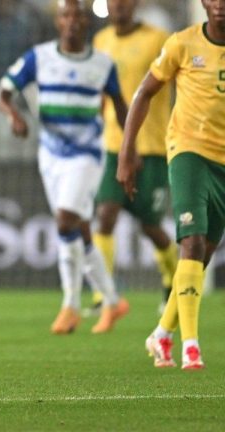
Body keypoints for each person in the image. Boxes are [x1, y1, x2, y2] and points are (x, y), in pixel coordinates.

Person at [0, 0, 129, 335]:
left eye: (77, 15)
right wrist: (15, 116)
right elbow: (2, 92)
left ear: (86, 21)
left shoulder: (102, 64)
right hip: (51, 155)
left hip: (87, 154)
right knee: (78, 230)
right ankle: (112, 302)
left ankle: (70, 305)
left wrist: (128, 151)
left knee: (65, 219)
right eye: (65, 15)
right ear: (58, 21)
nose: (71, 21)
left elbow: (123, 108)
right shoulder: (39, 57)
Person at [118, 0, 225, 371]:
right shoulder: (183, 43)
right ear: (203, 4)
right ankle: (190, 345)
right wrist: (125, 152)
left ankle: (162, 333)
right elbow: (144, 93)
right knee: (192, 242)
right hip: (187, 152)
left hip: (223, 163)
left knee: (202, 256)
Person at [91, 0, 176, 316]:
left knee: (150, 224)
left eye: (124, 2)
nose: (118, 8)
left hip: (152, 145)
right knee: (106, 214)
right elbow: (102, 93)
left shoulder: (159, 39)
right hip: (114, 144)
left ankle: (171, 276)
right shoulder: (101, 41)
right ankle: (104, 293)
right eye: (113, 3)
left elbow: (178, 82)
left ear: (134, 5)